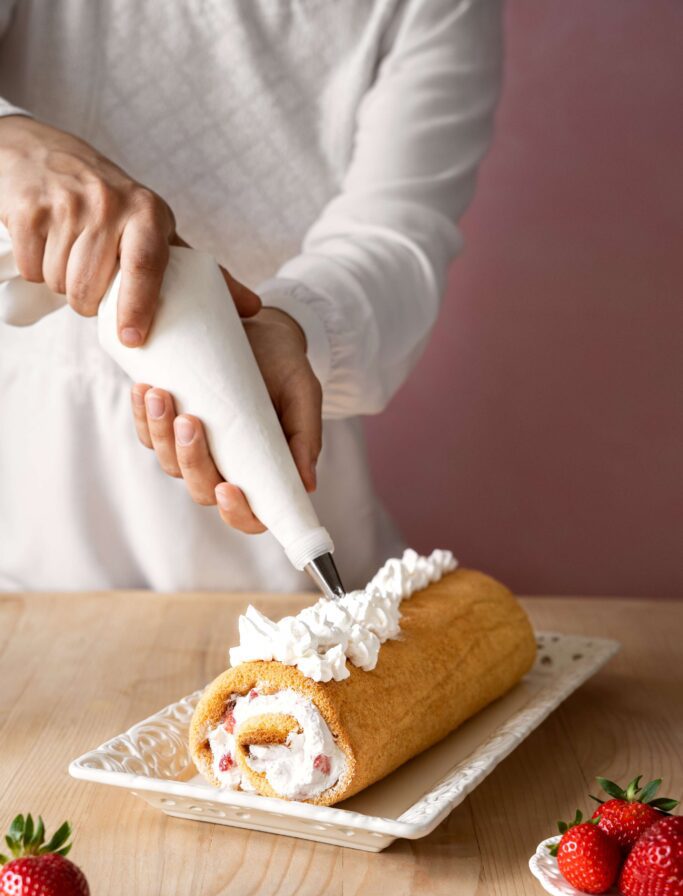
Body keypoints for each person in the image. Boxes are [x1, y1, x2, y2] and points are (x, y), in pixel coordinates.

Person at [0, 0, 502, 592]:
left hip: (286, 537)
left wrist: (293, 327)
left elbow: (396, 235)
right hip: (31, 528)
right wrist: (13, 146)